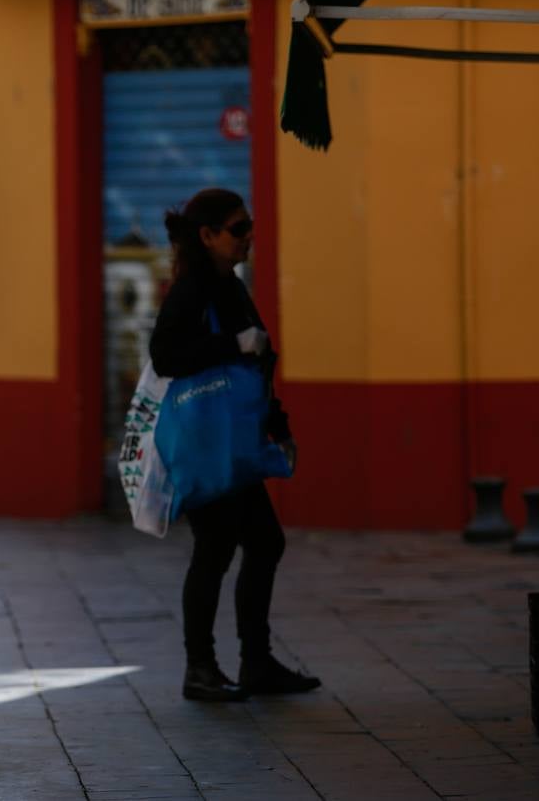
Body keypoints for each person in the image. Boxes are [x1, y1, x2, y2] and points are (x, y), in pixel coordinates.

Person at [149, 188, 321, 703]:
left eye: (249, 226)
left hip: (231, 441)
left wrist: (278, 424)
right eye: (239, 228)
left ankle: (252, 662)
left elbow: (255, 366)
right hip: (207, 446)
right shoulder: (195, 288)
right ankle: (204, 667)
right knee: (221, 548)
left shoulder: (228, 284)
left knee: (257, 543)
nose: (249, 237)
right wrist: (231, 344)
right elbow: (165, 355)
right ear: (208, 236)